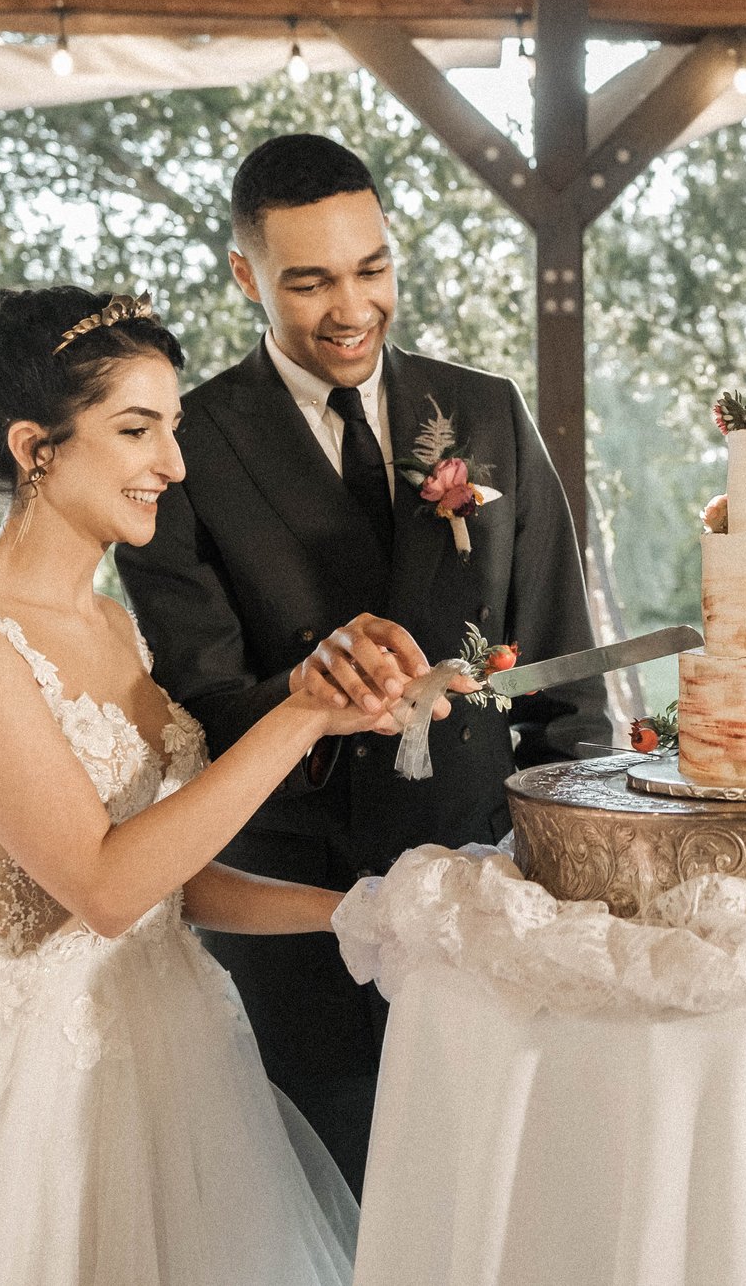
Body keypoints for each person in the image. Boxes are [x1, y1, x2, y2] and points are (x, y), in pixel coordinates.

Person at [0, 286, 447, 1286]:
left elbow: (167, 878)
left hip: (177, 1057)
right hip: (41, 1100)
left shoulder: (107, 624)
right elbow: (100, 888)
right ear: (34, 446)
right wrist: (301, 713)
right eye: (137, 428)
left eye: (174, 427)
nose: (173, 464)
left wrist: (359, 910)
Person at [116, 132, 607, 1192]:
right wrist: (314, 695)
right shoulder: (180, 448)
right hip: (300, 915)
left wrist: (569, 875)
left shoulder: (484, 413)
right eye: (310, 280)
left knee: (507, 1204)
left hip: (490, 894)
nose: (351, 307)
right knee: (341, 1214)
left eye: (371, 268)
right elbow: (199, 704)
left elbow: (564, 679)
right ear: (243, 274)